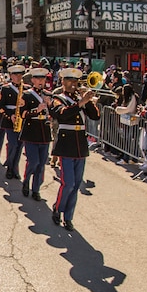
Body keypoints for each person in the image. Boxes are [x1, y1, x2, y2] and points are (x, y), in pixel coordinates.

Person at [49, 68, 100, 231]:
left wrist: (89, 101)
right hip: (66, 144)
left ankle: (68, 217)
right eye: (69, 81)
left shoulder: (80, 98)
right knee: (68, 183)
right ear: (63, 82)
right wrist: (81, 103)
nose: (73, 84)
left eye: (75, 81)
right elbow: (62, 115)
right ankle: (58, 208)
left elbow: (95, 116)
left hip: (80, 145)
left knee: (76, 184)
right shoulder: (58, 98)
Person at [18, 67, 53, 200]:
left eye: (42, 79)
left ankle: (36, 189)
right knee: (33, 162)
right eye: (37, 78)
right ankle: (26, 181)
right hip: (31, 131)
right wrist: (36, 110)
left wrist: (50, 107)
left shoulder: (48, 95)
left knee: (42, 164)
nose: (40, 81)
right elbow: (23, 114)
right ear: (32, 80)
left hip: (44, 132)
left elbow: (54, 114)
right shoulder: (26, 95)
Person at [0, 64, 25, 179]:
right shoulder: (5, 88)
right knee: (13, 145)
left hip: (22, 121)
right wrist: (10, 116)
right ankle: (10, 168)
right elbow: (0, 107)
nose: (18, 77)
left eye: (20, 75)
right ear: (10, 76)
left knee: (19, 147)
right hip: (10, 121)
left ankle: (15, 168)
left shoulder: (26, 88)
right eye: (15, 75)